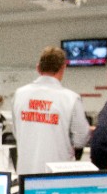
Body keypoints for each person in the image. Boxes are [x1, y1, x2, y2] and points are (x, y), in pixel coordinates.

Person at [11, 46, 91, 175]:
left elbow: (16, 132)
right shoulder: (71, 99)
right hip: (57, 177)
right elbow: (81, 139)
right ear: (63, 68)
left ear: (38, 68)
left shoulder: (19, 94)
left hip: (26, 175)